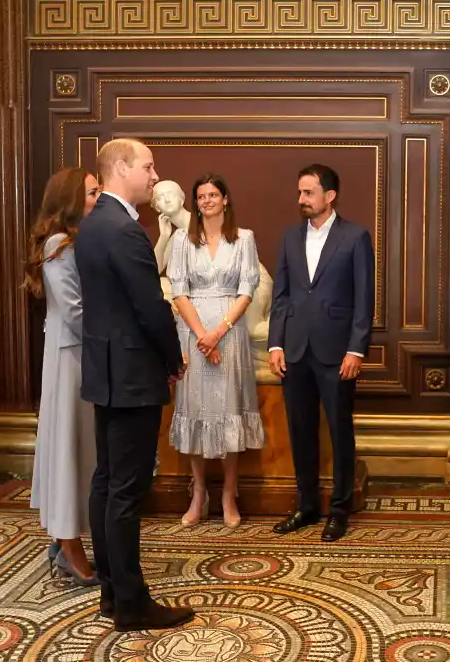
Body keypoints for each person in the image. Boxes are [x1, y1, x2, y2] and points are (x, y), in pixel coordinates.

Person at [74, 138, 194, 632]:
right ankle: (131, 602)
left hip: (106, 373)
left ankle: (111, 591)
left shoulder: (91, 224)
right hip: (132, 375)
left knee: (106, 484)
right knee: (125, 490)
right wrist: (174, 358)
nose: (154, 174)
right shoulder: (124, 230)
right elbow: (150, 307)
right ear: (121, 167)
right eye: (148, 166)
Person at [268, 164, 374, 542]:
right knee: (300, 432)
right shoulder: (289, 238)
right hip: (295, 351)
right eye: (299, 192)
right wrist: (276, 343)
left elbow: (364, 301)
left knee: (340, 432)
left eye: (308, 193)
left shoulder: (356, 237)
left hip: (337, 353)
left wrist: (356, 350)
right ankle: (307, 505)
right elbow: (281, 296)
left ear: (329, 196)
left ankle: (340, 510)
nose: (301, 200)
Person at [168, 175, 265, 528]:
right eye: (201, 196)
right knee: (195, 410)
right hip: (193, 334)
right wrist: (201, 336)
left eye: (213, 194)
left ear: (225, 199)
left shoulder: (244, 239)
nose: (207, 200)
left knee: (228, 411)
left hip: (230, 332)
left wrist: (219, 331)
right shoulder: (182, 239)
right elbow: (178, 290)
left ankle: (228, 494)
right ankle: (199, 494)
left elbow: (247, 289)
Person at [25, 167, 101, 585]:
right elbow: (75, 313)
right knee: (68, 450)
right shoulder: (59, 245)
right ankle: (69, 546)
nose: (97, 198)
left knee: (78, 449)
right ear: (72, 199)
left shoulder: (76, 242)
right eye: (91, 192)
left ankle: (65, 538)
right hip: (72, 357)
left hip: (77, 356)